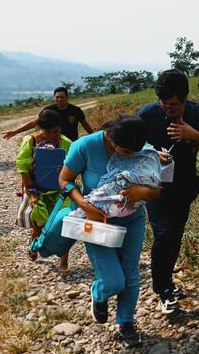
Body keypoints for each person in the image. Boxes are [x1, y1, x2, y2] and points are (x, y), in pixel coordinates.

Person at [58, 115, 161, 348]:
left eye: (135, 151)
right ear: (111, 138)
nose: (131, 156)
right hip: (97, 222)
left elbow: (157, 191)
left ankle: (126, 322)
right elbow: (64, 180)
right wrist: (85, 206)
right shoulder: (84, 146)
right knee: (114, 281)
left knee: (130, 274)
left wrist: (140, 193)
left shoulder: (141, 148)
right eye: (124, 151)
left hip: (132, 220)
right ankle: (100, 293)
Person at [137, 69, 199, 314]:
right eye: (164, 104)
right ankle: (162, 289)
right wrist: (153, 154)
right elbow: (128, 148)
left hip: (184, 187)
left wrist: (193, 134)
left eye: (174, 105)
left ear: (185, 98)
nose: (168, 109)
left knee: (174, 236)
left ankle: (166, 282)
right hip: (155, 187)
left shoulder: (197, 113)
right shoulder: (147, 115)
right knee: (164, 235)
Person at [16, 108, 72, 276]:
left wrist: (67, 170)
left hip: (60, 191)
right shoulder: (30, 142)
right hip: (37, 189)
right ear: (40, 128)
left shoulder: (66, 143)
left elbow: (73, 167)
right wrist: (32, 194)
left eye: (57, 131)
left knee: (65, 224)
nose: (54, 135)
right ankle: (34, 245)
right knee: (39, 225)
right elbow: (23, 169)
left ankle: (64, 262)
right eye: (49, 131)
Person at [2, 87, 94, 141]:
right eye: (57, 97)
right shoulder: (48, 110)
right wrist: (15, 132)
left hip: (70, 143)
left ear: (67, 97)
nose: (59, 99)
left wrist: (94, 137)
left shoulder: (75, 110)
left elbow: (85, 125)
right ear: (54, 98)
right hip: (50, 143)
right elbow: (34, 123)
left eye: (62, 97)